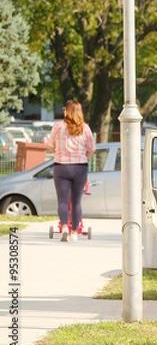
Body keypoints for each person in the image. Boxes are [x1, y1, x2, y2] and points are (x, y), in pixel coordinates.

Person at [47, 100, 96, 242]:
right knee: (76, 201)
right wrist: (83, 156)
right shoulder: (85, 128)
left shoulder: (58, 126)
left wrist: (58, 151)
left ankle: (63, 227)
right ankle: (74, 233)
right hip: (80, 166)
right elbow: (92, 149)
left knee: (62, 201)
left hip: (61, 166)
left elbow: (50, 145)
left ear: (66, 111)